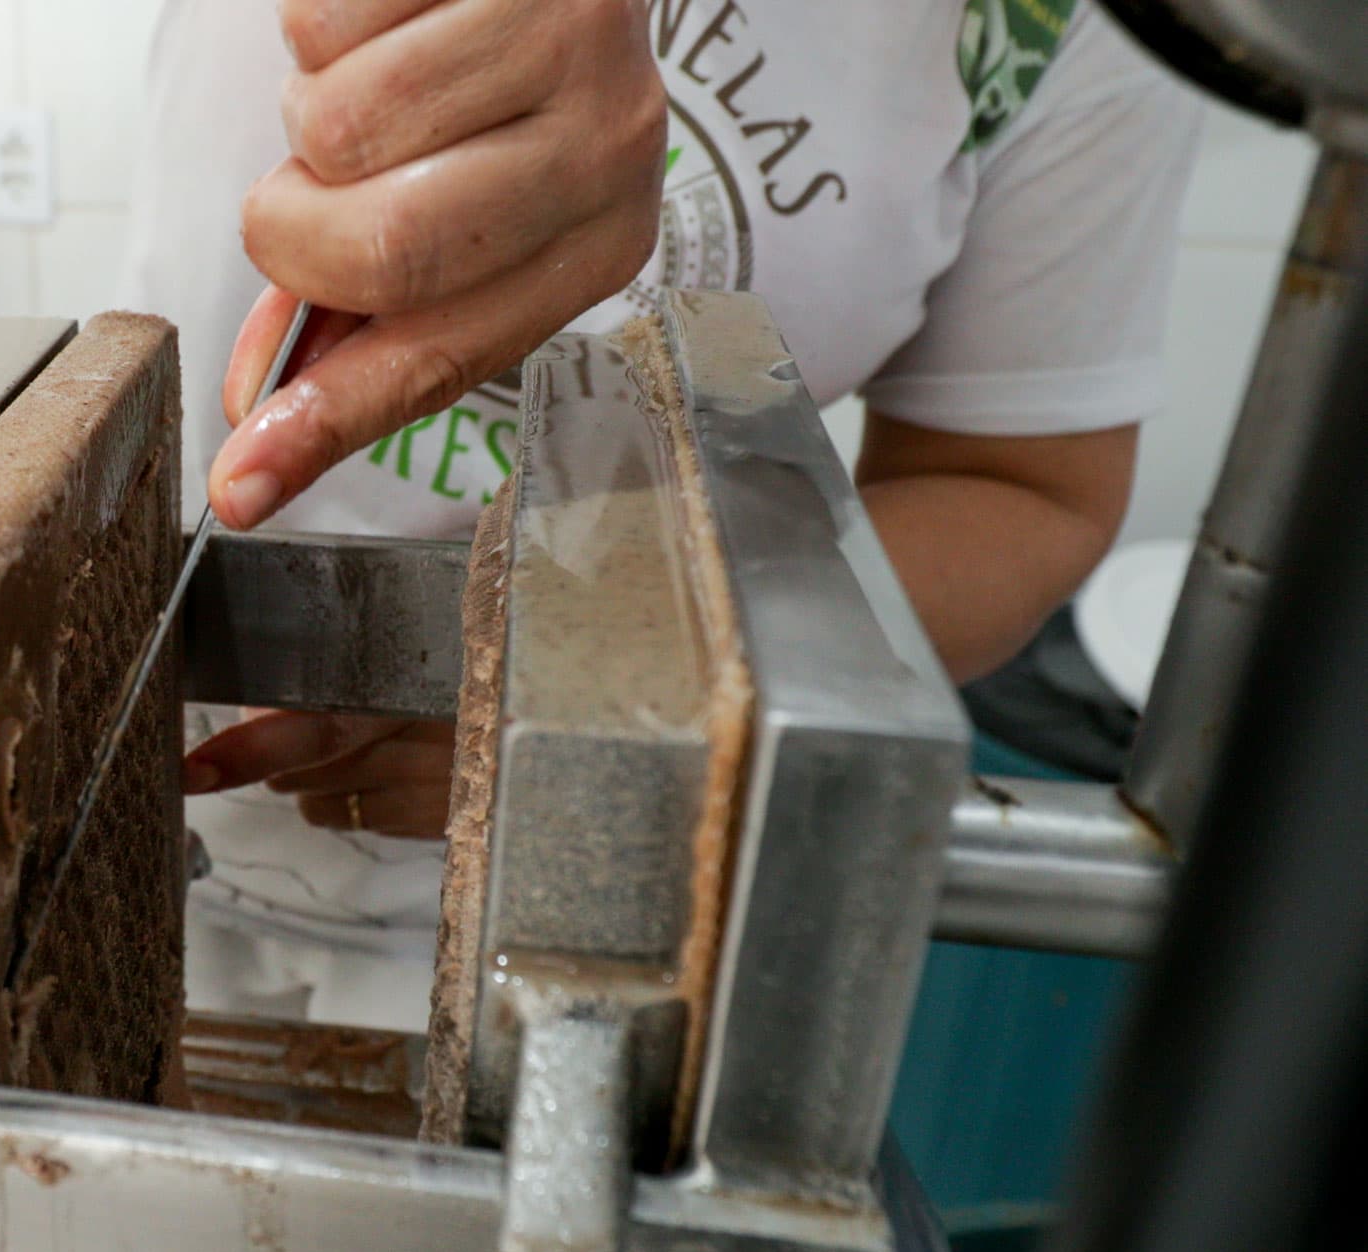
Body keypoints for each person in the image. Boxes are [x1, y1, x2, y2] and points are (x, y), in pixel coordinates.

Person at [117, 0, 1203, 1029]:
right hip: (135, 791)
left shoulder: (1073, 33)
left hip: (606, 899)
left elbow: (1024, 490)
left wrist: (626, 689)